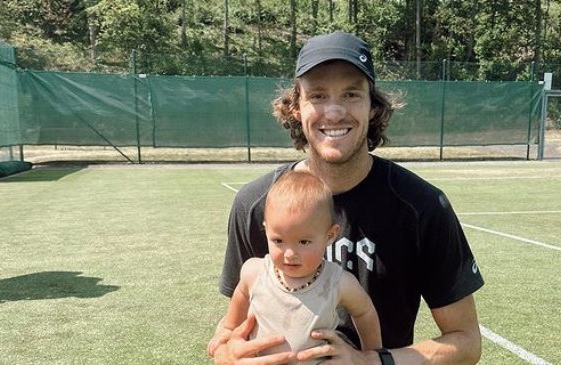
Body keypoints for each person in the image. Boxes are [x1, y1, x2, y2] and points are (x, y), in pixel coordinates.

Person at [209, 30, 485, 365]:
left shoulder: (421, 207)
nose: (335, 111)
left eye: (352, 94)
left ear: (373, 106)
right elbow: (226, 335)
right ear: (296, 107)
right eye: (318, 96)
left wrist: (369, 361)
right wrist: (226, 354)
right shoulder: (255, 203)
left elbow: (466, 342)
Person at [207, 170, 382, 363]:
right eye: (278, 240)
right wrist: (228, 329)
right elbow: (240, 295)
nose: (289, 253)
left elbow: (364, 312)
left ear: (330, 236)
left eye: (304, 242)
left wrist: (371, 355)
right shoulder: (254, 272)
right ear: (266, 230)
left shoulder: (338, 282)